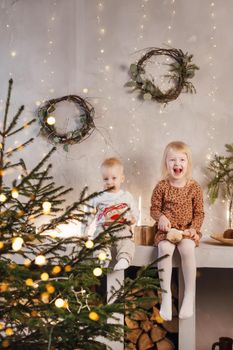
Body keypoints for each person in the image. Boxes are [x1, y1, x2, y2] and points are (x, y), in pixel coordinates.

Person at [150, 141, 204, 320]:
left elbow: (199, 213)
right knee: (164, 249)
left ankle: (189, 295)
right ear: (166, 163)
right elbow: (154, 209)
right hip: (167, 232)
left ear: (187, 163)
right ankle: (165, 296)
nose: (177, 163)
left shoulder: (194, 187)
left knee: (188, 249)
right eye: (172, 159)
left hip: (186, 231)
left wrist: (193, 229)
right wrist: (161, 218)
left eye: (182, 159)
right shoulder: (162, 186)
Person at [86, 157, 138, 271]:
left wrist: (133, 219)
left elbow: (134, 211)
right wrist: (84, 231)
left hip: (121, 225)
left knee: (126, 239)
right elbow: (89, 213)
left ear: (122, 178)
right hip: (103, 226)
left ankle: (124, 258)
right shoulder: (98, 197)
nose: (109, 182)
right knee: (98, 239)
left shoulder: (126, 196)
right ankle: (103, 257)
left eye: (114, 178)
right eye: (105, 179)